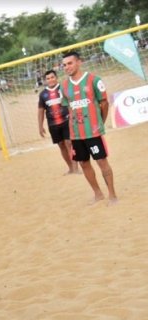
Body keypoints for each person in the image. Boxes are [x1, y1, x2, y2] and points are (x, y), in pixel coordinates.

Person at [60, 51, 117, 205]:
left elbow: (104, 103)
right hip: (76, 134)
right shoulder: (64, 86)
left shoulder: (94, 80)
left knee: (101, 162)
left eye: (70, 63)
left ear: (79, 62)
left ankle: (112, 195)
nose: (67, 67)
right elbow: (68, 108)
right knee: (84, 163)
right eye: (64, 65)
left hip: (93, 131)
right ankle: (98, 194)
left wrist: (101, 122)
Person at [38, 69, 78, 174]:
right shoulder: (43, 94)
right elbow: (41, 110)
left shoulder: (63, 88)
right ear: (45, 81)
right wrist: (40, 126)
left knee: (69, 143)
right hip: (53, 124)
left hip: (66, 121)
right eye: (48, 78)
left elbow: (72, 102)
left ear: (56, 78)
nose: (50, 80)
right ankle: (70, 168)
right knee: (61, 145)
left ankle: (76, 168)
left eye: (52, 77)